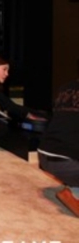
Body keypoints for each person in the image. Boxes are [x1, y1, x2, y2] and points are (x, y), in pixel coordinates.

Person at [38, 77, 79, 217]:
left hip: (44, 154)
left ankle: (74, 188)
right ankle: (74, 195)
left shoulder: (66, 87)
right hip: (66, 163)